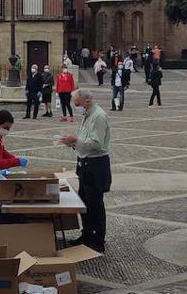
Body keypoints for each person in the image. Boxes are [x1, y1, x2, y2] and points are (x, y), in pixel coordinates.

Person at [58, 89, 112, 252]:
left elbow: (97, 144)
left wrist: (76, 140)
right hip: (85, 163)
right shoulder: (88, 114)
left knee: (95, 203)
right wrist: (73, 143)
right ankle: (87, 234)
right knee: (84, 201)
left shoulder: (98, 116)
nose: (76, 107)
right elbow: (85, 141)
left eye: (78, 104)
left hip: (96, 165)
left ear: (87, 101)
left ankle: (97, 239)